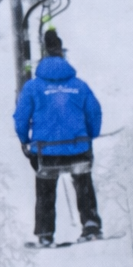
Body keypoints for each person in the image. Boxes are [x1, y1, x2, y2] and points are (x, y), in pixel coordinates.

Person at [13, 27, 103, 246]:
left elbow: (21, 117)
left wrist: (24, 140)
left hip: (46, 152)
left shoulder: (33, 87)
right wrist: (90, 136)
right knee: (83, 183)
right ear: (63, 56)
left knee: (45, 190)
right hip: (78, 149)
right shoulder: (79, 86)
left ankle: (45, 234)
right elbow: (94, 112)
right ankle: (90, 225)